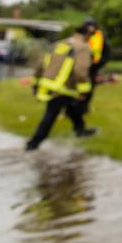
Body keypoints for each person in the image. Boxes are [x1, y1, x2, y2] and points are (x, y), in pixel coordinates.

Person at [26, 23, 99, 151]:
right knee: (50, 116)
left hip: (51, 84)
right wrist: (84, 91)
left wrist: (36, 83)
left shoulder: (61, 43)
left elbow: (42, 63)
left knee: (73, 109)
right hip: (63, 88)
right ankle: (33, 144)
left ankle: (80, 130)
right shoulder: (82, 47)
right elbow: (80, 71)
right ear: (88, 34)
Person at [81, 19, 109, 114]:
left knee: (90, 88)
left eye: (92, 26)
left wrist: (100, 63)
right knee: (77, 88)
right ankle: (70, 110)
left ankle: (85, 107)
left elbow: (106, 51)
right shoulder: (80, 36)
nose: (91, 28)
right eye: (89, 26)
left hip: (94, 66)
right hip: (80, 66)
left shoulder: (100, 36)